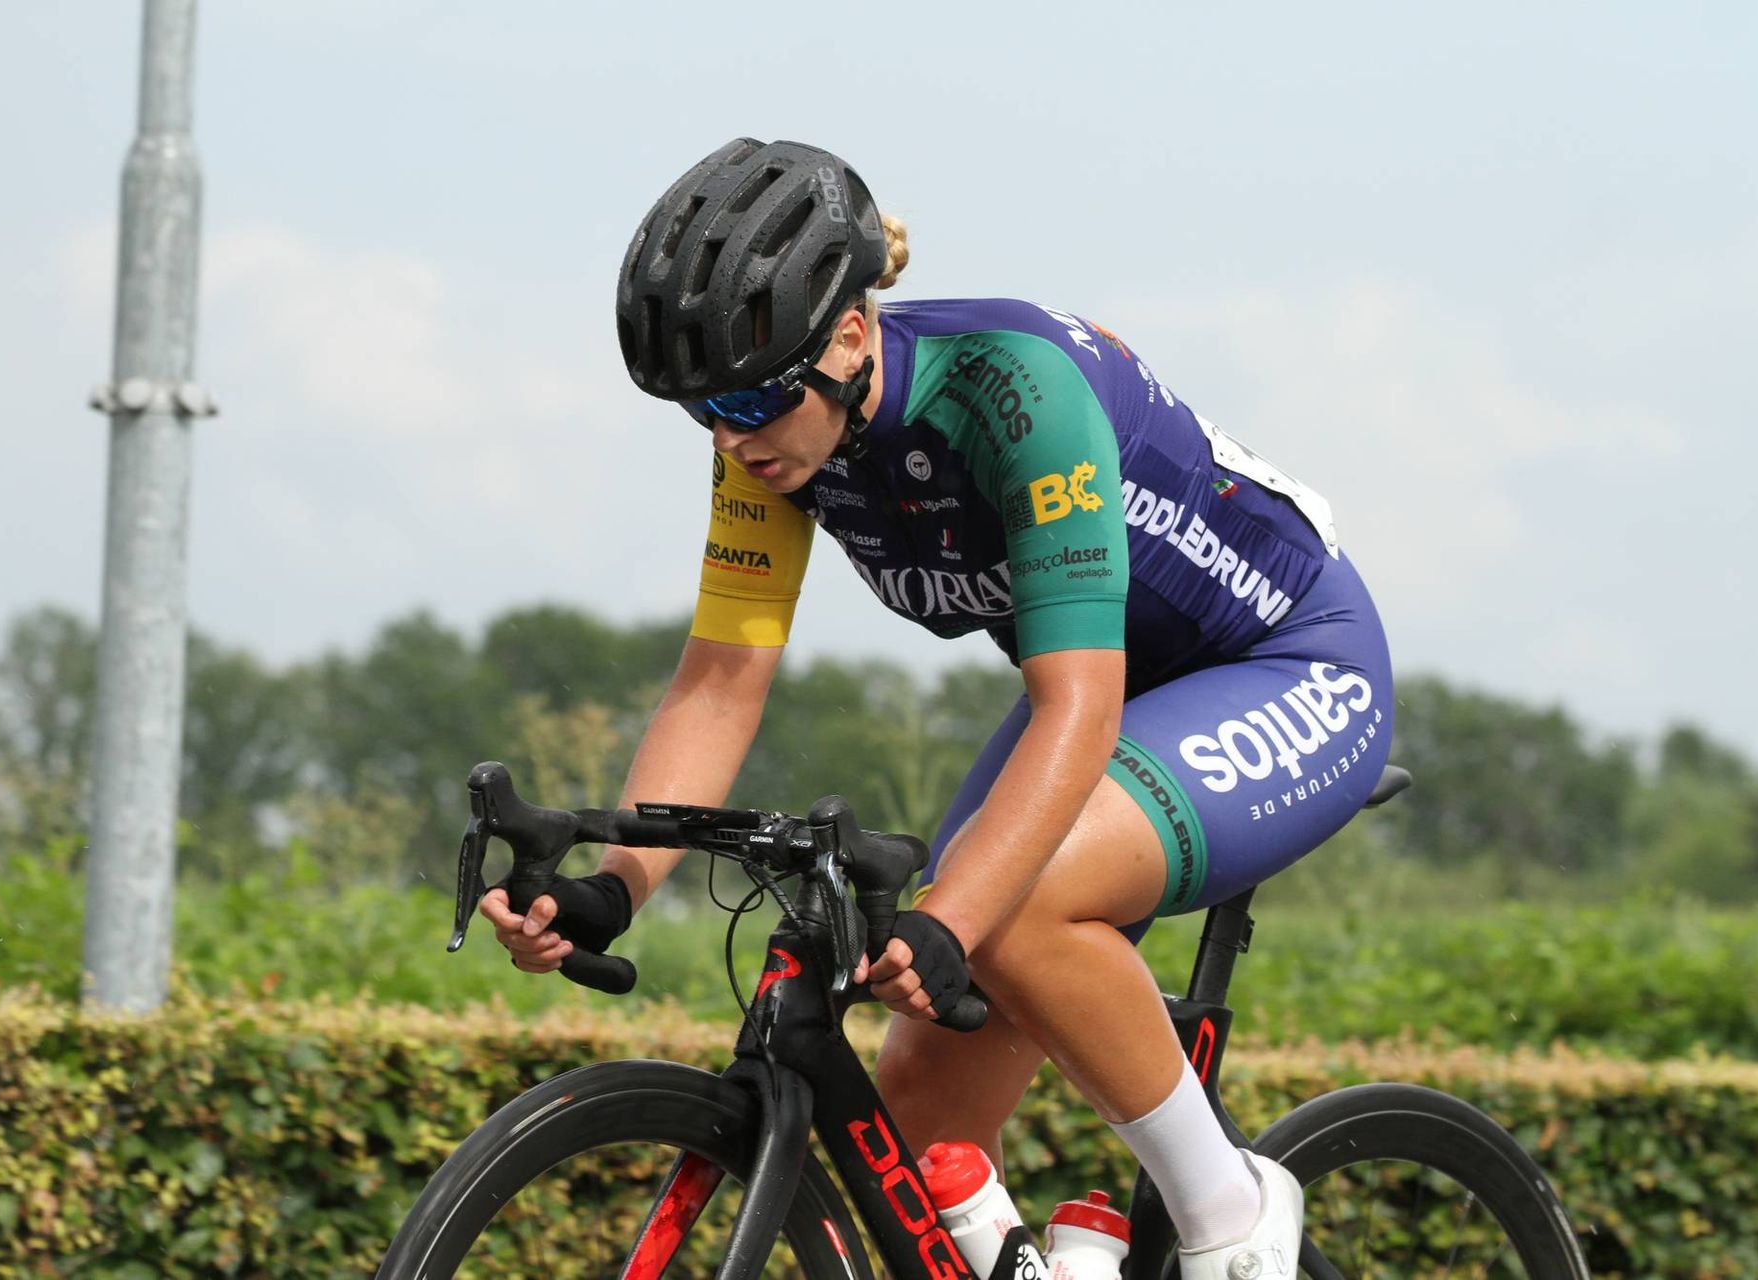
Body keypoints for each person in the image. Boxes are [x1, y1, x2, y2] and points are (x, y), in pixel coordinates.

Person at [481, 138, 1394, 1280]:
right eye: (701, 409)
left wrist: (951, 919)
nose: (729, 438)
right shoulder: (772, 442)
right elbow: (720, 681)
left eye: (751, 399)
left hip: (1286, 663)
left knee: (1010, 909)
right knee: (916, 1123)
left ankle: (1233, 1219)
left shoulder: (1015, 392)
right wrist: (612, 886)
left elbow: (1078, 707)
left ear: (847, 339)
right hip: (1121, 694)